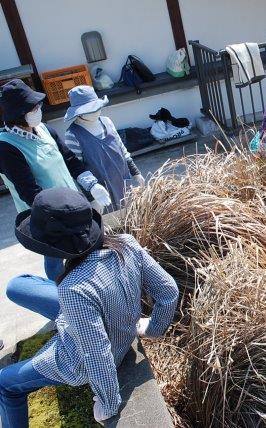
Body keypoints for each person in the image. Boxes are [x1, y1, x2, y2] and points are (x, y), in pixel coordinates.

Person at [0, 188, 179, 427]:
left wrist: (108, 403)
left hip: (77, 363)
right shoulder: (125, 244)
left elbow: (97, 354)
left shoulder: (73, 289)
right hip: (107, 320)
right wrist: (154, 327)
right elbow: (169, 289)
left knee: (5, 384)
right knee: (16, 286)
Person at [0, 79, 111, 281]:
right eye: (34, 107)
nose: (38, 110)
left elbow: (70, 160)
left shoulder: (45, 130)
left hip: (73, 203)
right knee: (55, 256)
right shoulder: (7, 147)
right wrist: (61, 215)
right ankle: (60, 293)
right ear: (19, 113)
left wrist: (92, 185)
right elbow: (28, 191)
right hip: (46, 214)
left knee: (85, 246)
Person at [64, 86, 145, 212]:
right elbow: (77, 169)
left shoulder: (107, 122)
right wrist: (92, 196)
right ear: (79, 112)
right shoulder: (72, 135)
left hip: (122, 181)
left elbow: (122, 149)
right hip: (101, 192)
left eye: (97, 107)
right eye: (90, 109)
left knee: (131, 215)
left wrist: (135, 172)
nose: (96, 111)